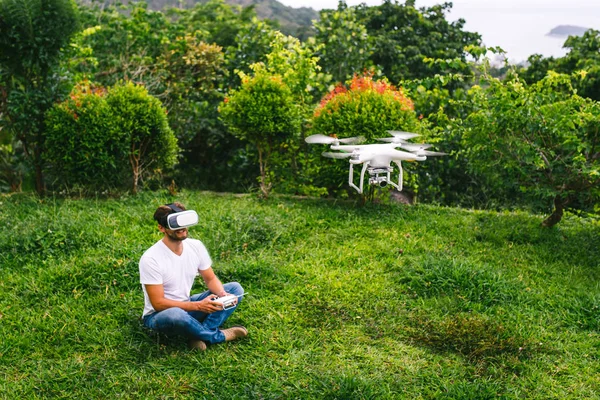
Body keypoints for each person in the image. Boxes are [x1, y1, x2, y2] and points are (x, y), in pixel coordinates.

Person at [139, 202, 247, 351]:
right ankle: (217, 336)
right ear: (161, 228)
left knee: (235, 289)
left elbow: (210, 278)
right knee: (176, 315)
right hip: (160, 315)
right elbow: (158, 303)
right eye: (174, 224)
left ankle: (197, 335)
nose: (181, 228)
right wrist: (198, 305)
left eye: (183, 221)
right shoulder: (151, 258)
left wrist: (222, 295)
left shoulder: (195, 246)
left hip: (187, 305)